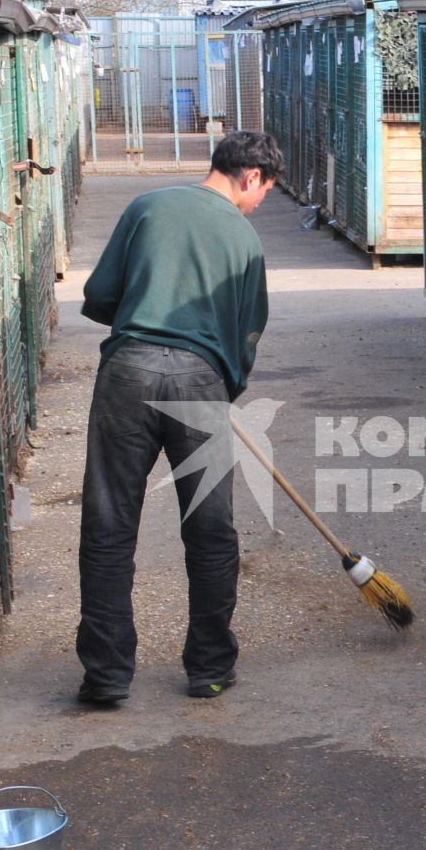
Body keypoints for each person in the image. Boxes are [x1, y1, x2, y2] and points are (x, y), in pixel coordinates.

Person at [74, 130, 282, 705]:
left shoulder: (147, 206)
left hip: (126, 375)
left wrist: (148, 316)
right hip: (199, 382)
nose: (259, 203)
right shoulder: (244, 239)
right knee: (210, 529)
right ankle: (210, 668)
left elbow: (99, 297)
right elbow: (247, 337)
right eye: (264, 191)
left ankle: (106, 677)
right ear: (250, 177)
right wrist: (220, 388)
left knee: (110, 525)